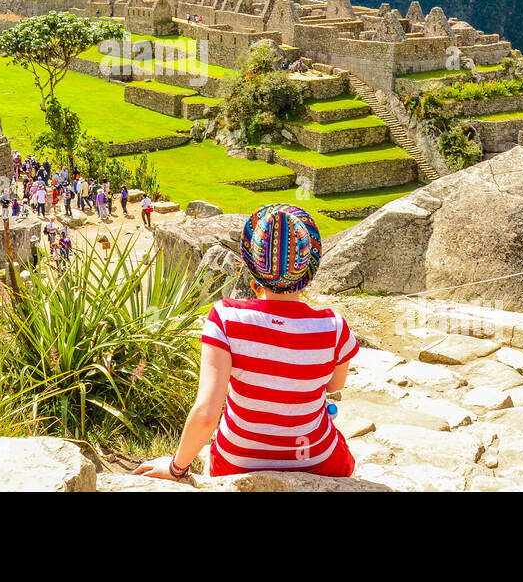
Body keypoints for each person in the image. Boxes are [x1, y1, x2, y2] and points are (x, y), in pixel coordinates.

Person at [135, 204, 357, 482]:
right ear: (307, 273)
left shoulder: (226, 318)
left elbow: (207, 414)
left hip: (237, 463)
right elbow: (334, 386)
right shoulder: (334, 327)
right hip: (314, 460)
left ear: (253, 271)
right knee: (344, 456)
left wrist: (175, 468)